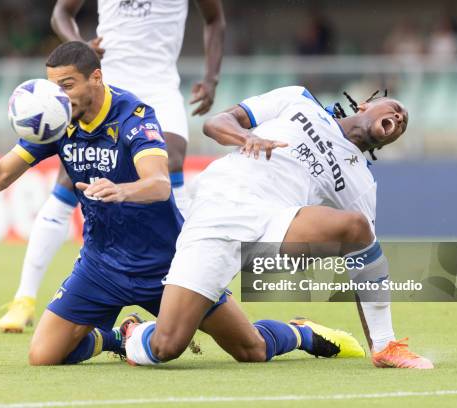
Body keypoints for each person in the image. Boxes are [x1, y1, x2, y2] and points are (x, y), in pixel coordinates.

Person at [0, 42, 364, 366]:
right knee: (44, 354)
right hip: (100, 264)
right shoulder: (56, 122)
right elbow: (2, 171)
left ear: (97, 77)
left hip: (168, 265)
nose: (60, 96)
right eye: (54, 86)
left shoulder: (134, 117)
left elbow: (157, 185)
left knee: (250, 350)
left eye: (68, 85)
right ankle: (119, 337)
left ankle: (304, 333)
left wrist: (121, 189)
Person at [124, 86, 434, 369]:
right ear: (365, 105)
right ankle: (129, 334)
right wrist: (246, 138)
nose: (398, 117)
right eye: (394, 108)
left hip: (273, 225)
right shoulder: (299, 100)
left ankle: (385, 347)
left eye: (403, 121)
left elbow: (366, 263)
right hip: (219, 210)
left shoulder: (362, 183)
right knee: (176, 347)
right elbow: (216, 123)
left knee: (357, 227)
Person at [0, 0, 226, 333]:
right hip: (101, 84)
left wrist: (211, 78)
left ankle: (184, 285)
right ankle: (24, 298)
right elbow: (61, 13)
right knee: (67, 182)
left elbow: (215, 19)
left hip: (160, 87)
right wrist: (78, 45)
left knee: (170, 164)